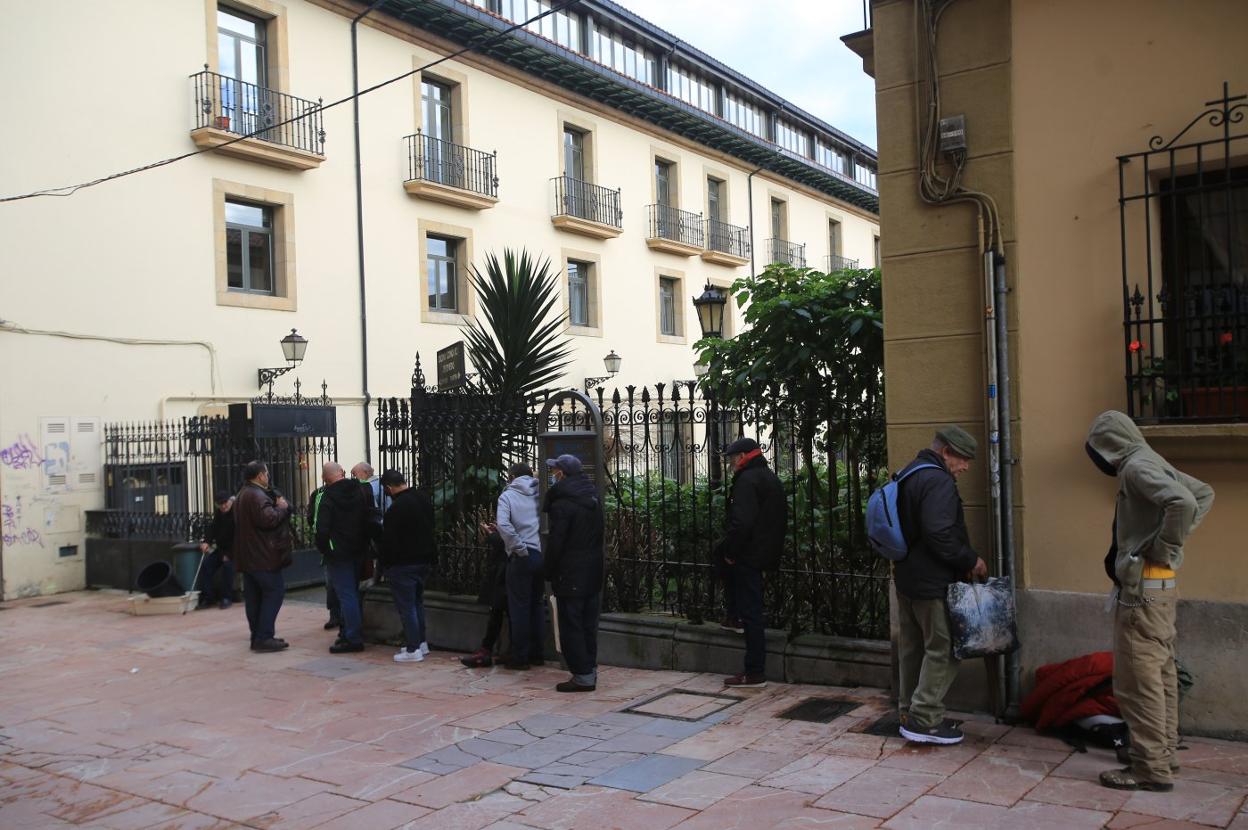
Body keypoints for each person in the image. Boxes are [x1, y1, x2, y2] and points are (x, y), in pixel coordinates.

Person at [1086, 410, 1213, 793]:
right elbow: (1202, 494)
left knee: (1137, 682)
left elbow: (1184, 504)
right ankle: (1164, 753)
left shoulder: (1135, 468)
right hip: (1162, 587)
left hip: (1142, 592)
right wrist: (1167, 550)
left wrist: (1161, 547)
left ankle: (1149, 768)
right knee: (1160, 675)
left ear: (1108, 445)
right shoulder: (1151, 459)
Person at [893, 426, 988, 745]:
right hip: (931, 581)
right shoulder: (938, 480)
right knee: (945, 648)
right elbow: (939, 533)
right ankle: (925, 718)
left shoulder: (909, 473)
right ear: (946, 451)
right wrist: (969, 559)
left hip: (906, 577)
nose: (966, 467)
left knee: (913, 646)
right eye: (963, 459)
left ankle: (907, 711)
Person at [715, 437, 786, 689]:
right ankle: (733, 616)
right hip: (764, 552)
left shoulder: (747, 481)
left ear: (744, 456)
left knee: (752, 614)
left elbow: (742, 523)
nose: (732, 464)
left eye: (734, 458)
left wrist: (731, 551)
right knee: (750, 608)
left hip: (748, 555)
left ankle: (754, 672)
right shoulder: (769, 477)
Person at [543, 454, 605, 693]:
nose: (552, 474)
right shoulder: (592, 496)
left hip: (570, 572)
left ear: (563, 474)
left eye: (555, 470)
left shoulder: (563, 503)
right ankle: (589, 668)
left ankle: (582, 675)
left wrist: (548, 571)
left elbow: (557, 542)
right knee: (588, 624)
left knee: (571, 624)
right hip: (592, 569)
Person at [310, 461, 373, 654]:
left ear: (324, 478)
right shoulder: (361, 489)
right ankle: (347, 633)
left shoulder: (325, 496)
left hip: (338, 553)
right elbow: (368, 517)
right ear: (343, 473)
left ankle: (353, 637)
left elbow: (320, 529)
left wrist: (326, 550)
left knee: (346, 596)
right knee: (352, 593)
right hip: (358, 550)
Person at [232, 460, 292, 652]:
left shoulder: (243, 494)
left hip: (249, 557)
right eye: (266, 473)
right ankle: (264, 637)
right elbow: (269, 519)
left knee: (255, 598)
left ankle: (257, 636)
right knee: (274, 593)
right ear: (260, 476)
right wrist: (282, 507)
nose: (268, 477)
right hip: (263, 557)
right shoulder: (257, 495)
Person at [379, 469, 436, 663]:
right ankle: (420, 643)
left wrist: (386, 564)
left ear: (388, 488)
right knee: (417, 603)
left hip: (403, 564)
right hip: (424, 560)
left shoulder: (396, 509)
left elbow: (389, 541)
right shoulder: (422, 498)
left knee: (407, 607)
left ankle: (413, 648)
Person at [496, 463, 544, 671]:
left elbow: (504, 525)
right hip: (541, 554)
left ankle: (520, 656)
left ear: (512, 476)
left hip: (521, 556)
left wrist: (519, 547)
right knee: (536, 605)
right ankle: (537, 654)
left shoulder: (507, 496)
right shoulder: (540, 493)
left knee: (519, 608)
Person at [461, 523, 510, 668]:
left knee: (499, 610)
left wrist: (493, 535)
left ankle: (488, 651)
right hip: (505, 566)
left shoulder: (512, 503)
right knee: (497, 611)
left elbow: (506, 541)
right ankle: (488, 650)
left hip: (506, 568)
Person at [197, 489, 236, 609]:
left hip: (236, 551)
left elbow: (240, 536)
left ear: (230, 501)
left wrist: (229, 554)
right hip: (222, 549)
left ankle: (226, 597)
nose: (223, 506)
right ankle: (208, 598)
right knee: (206, 566)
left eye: (225, 503)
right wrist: (206, 542)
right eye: (220, 504)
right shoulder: (220, 513)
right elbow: (213, 528)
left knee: (228, 566)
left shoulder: (237, 512)